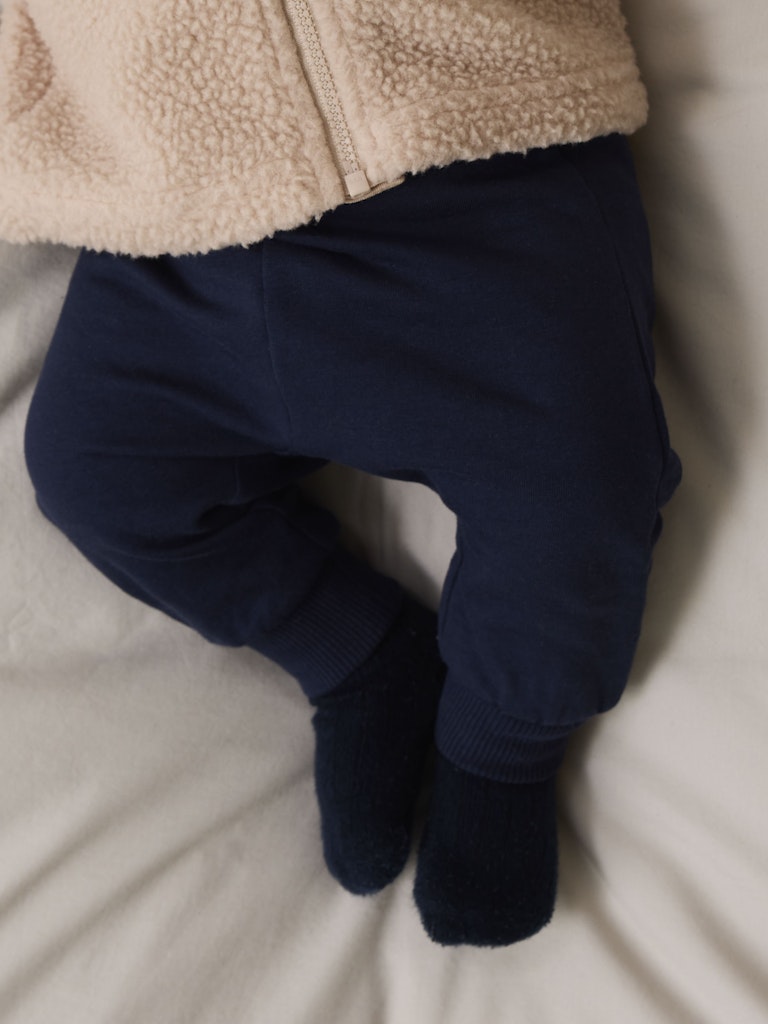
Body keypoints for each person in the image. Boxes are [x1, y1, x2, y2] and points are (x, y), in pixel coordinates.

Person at [1, 1, 680, 947]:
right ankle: (358, 652)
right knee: (92, 472)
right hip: (179, 221)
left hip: (480, 174)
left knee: (580, 498)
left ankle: (498, 751)